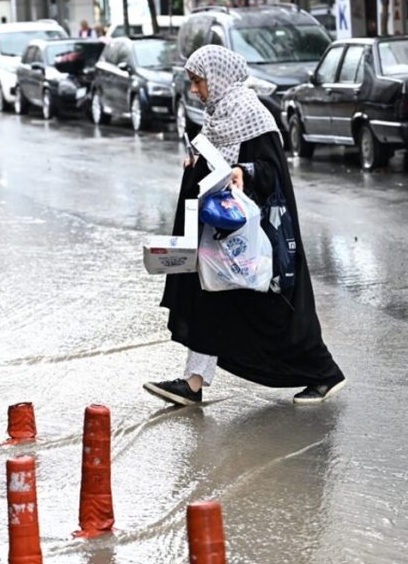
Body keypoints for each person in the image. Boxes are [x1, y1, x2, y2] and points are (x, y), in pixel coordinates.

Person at [144, 45, 347, 406]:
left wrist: (244, 172)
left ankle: (324, 373)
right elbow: (216, 159)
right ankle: (193, 383)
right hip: (221, 235)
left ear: (218, 78)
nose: (195, 90)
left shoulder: (254, 114)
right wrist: (196, 162)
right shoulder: (219, 115)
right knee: (209, 300)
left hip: (255, 240)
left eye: (198, 82)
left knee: (274, 314)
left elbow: (272, 173)